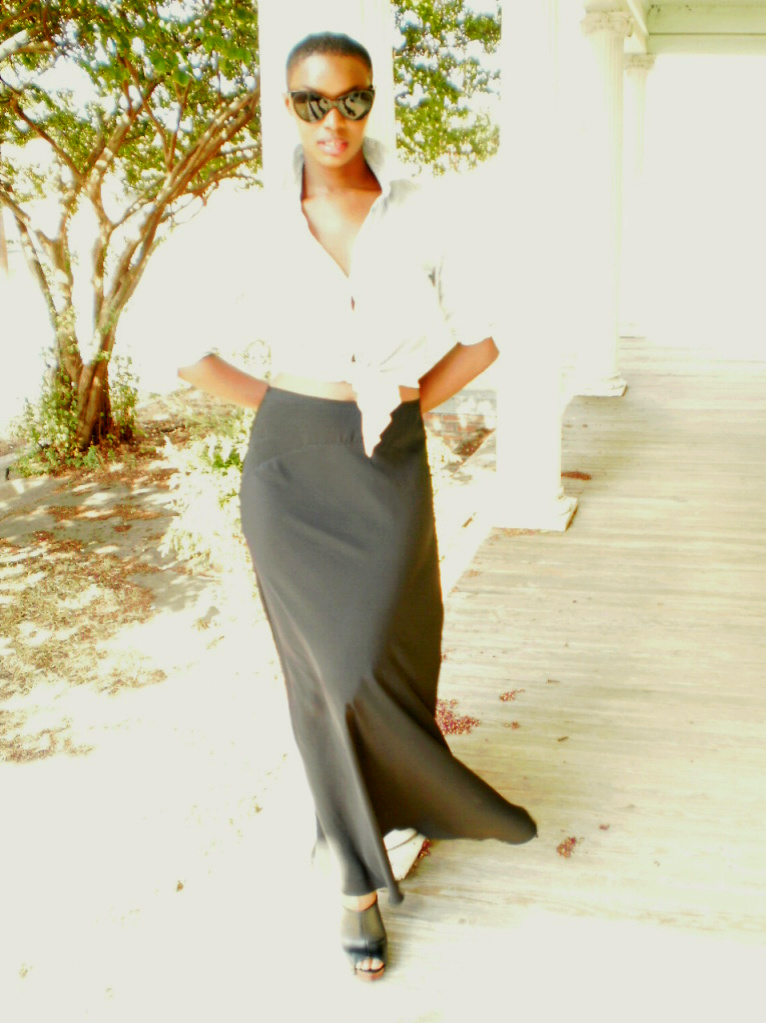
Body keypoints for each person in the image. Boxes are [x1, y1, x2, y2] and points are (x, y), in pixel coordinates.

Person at [178, 31, 536, 982]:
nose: (332, 120)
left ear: (372, 101)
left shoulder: (423, 211)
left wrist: (406, 405)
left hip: (388, 457)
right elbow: (187, 351)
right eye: (311, 101)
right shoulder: (256, 221)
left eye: (351, 99)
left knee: (385, 655)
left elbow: (483, 338)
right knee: (327, 683)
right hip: (289, 472)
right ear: (286, 107)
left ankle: (407, 799)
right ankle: (354, 885)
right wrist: (286, 406)